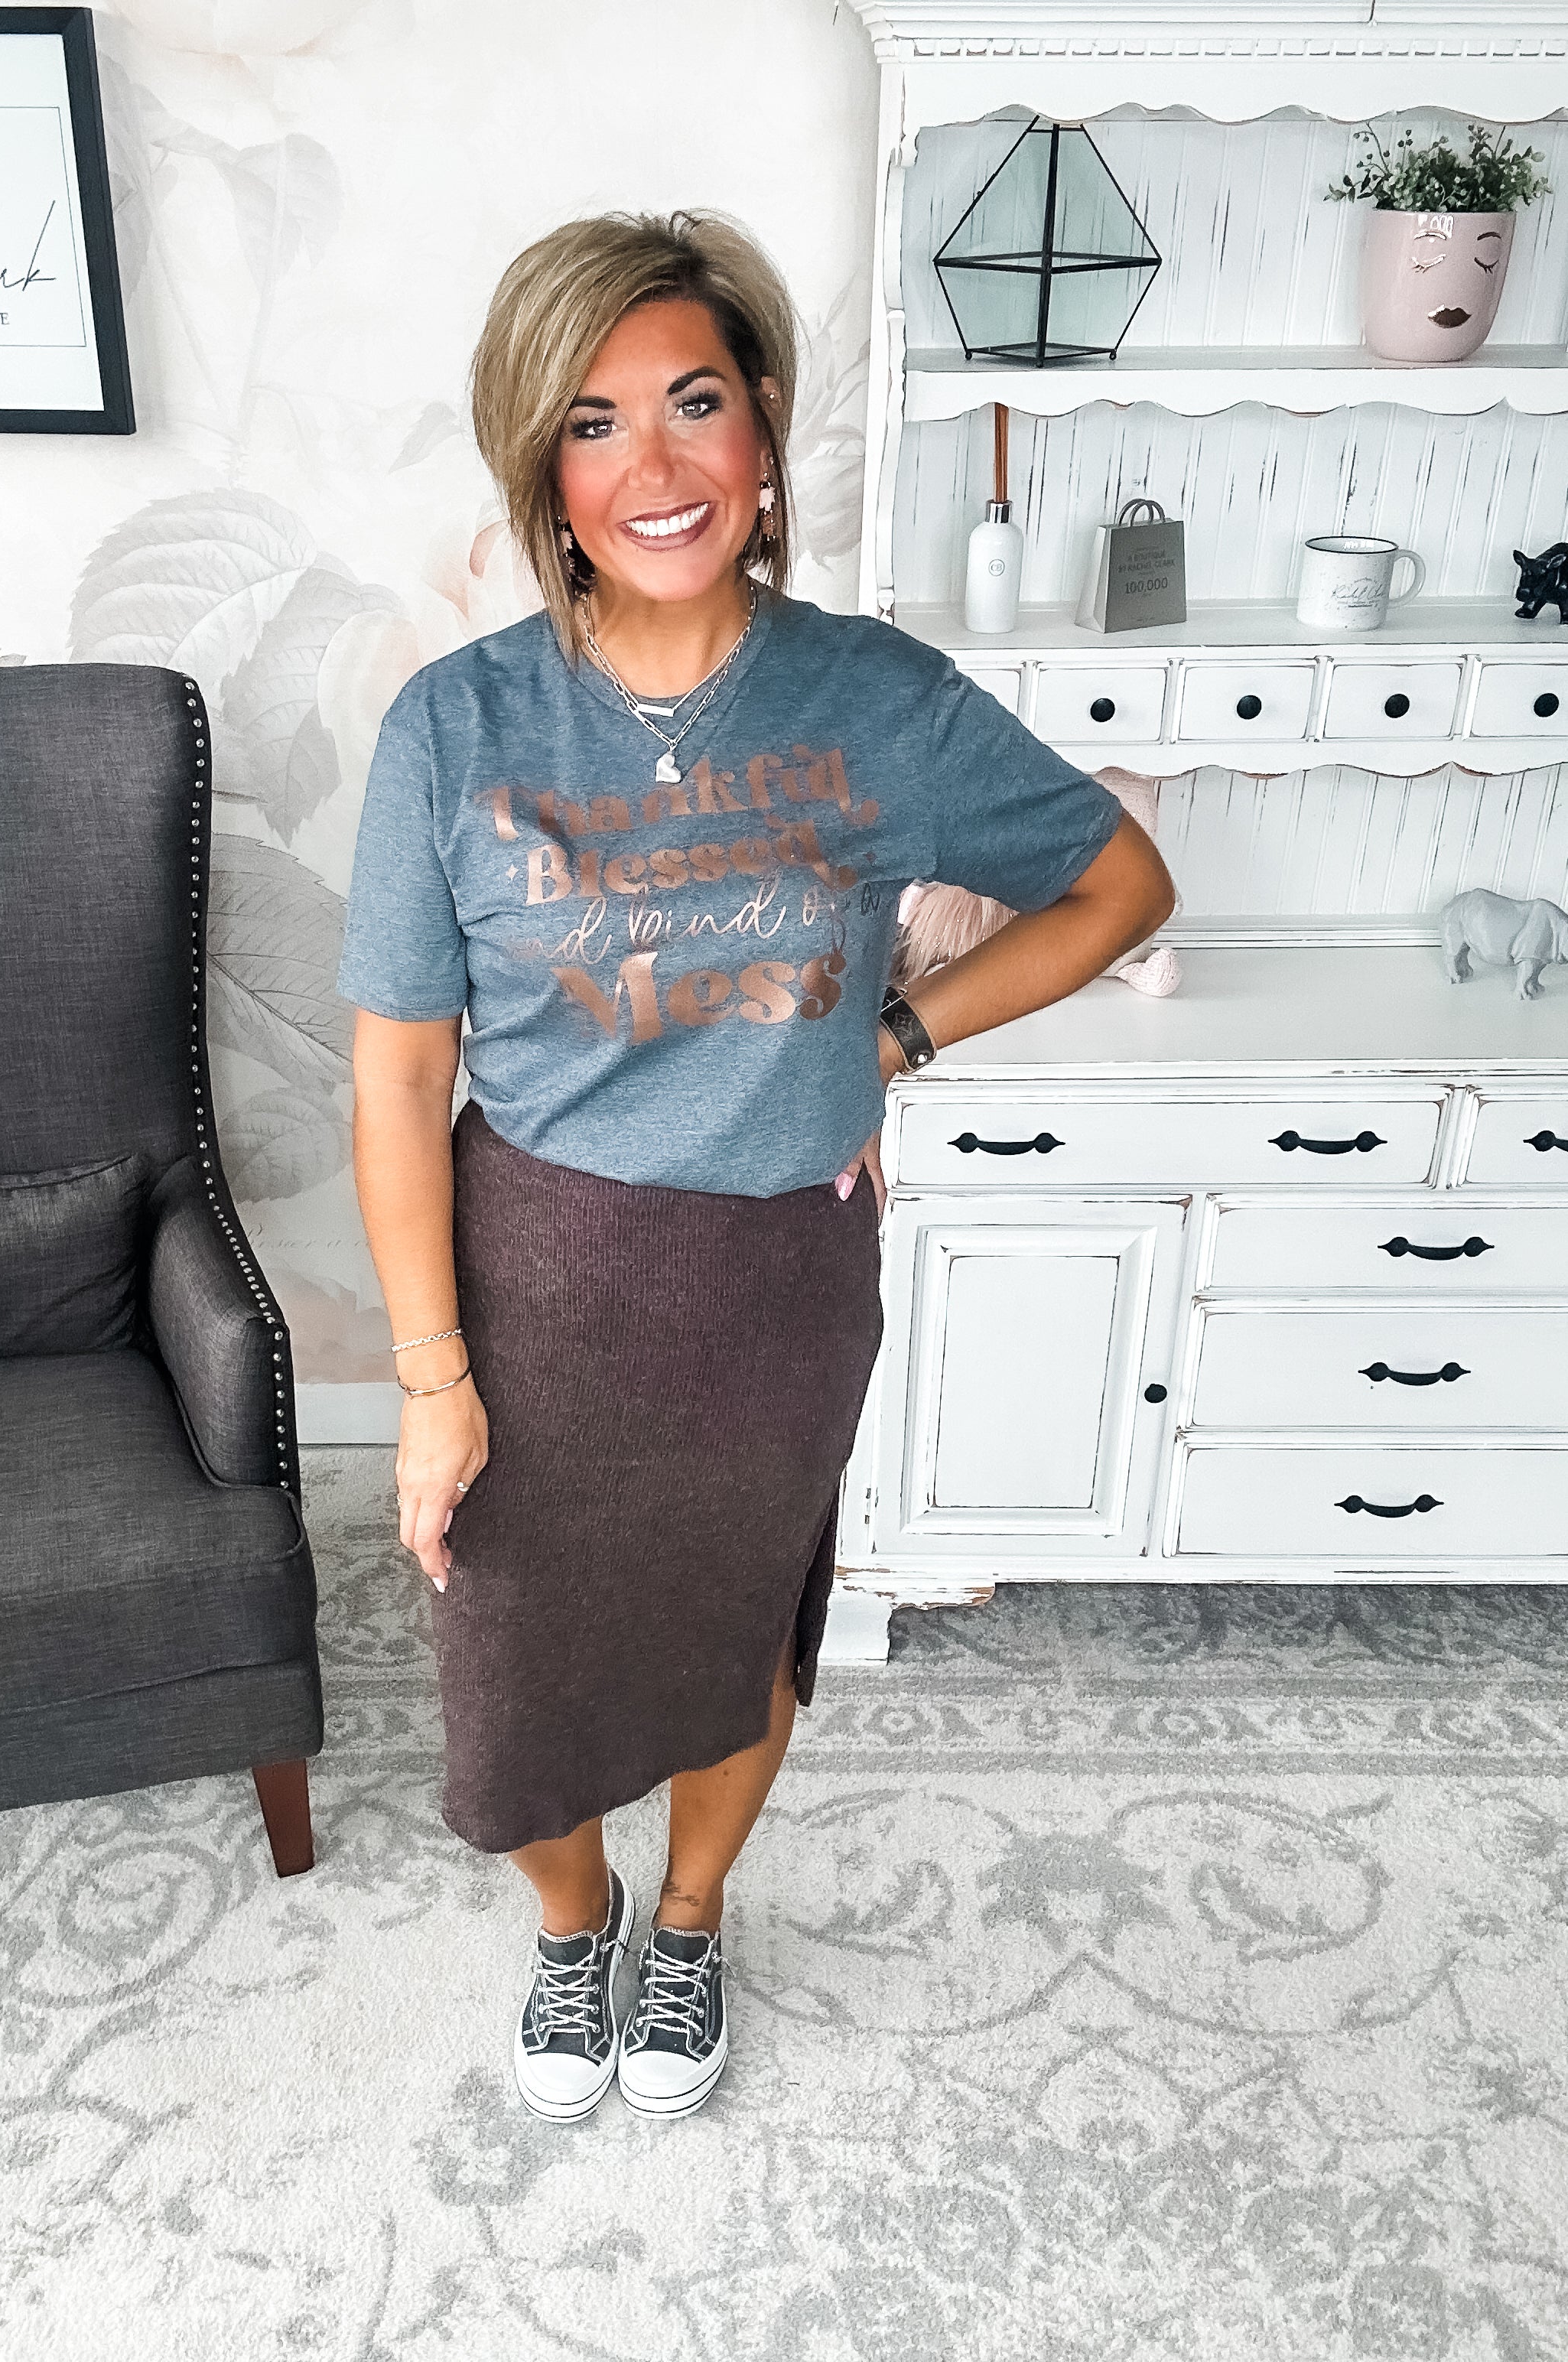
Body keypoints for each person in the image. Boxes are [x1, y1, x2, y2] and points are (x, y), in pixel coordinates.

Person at [337, 208, 1175, 2126]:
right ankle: (576, 1927)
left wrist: (898, 1034)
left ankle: (693, 1917)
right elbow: (398, 1077)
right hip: (533, 1283)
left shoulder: (876, 701)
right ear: (543, 466)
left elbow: (1120, 886)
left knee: (740, 1633)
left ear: (766, 417)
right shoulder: (456, 727)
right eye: (594, 421)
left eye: (695, 401)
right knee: (517, 1679)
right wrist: (434, 1379)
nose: (655, 464)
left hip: (778, 1290)